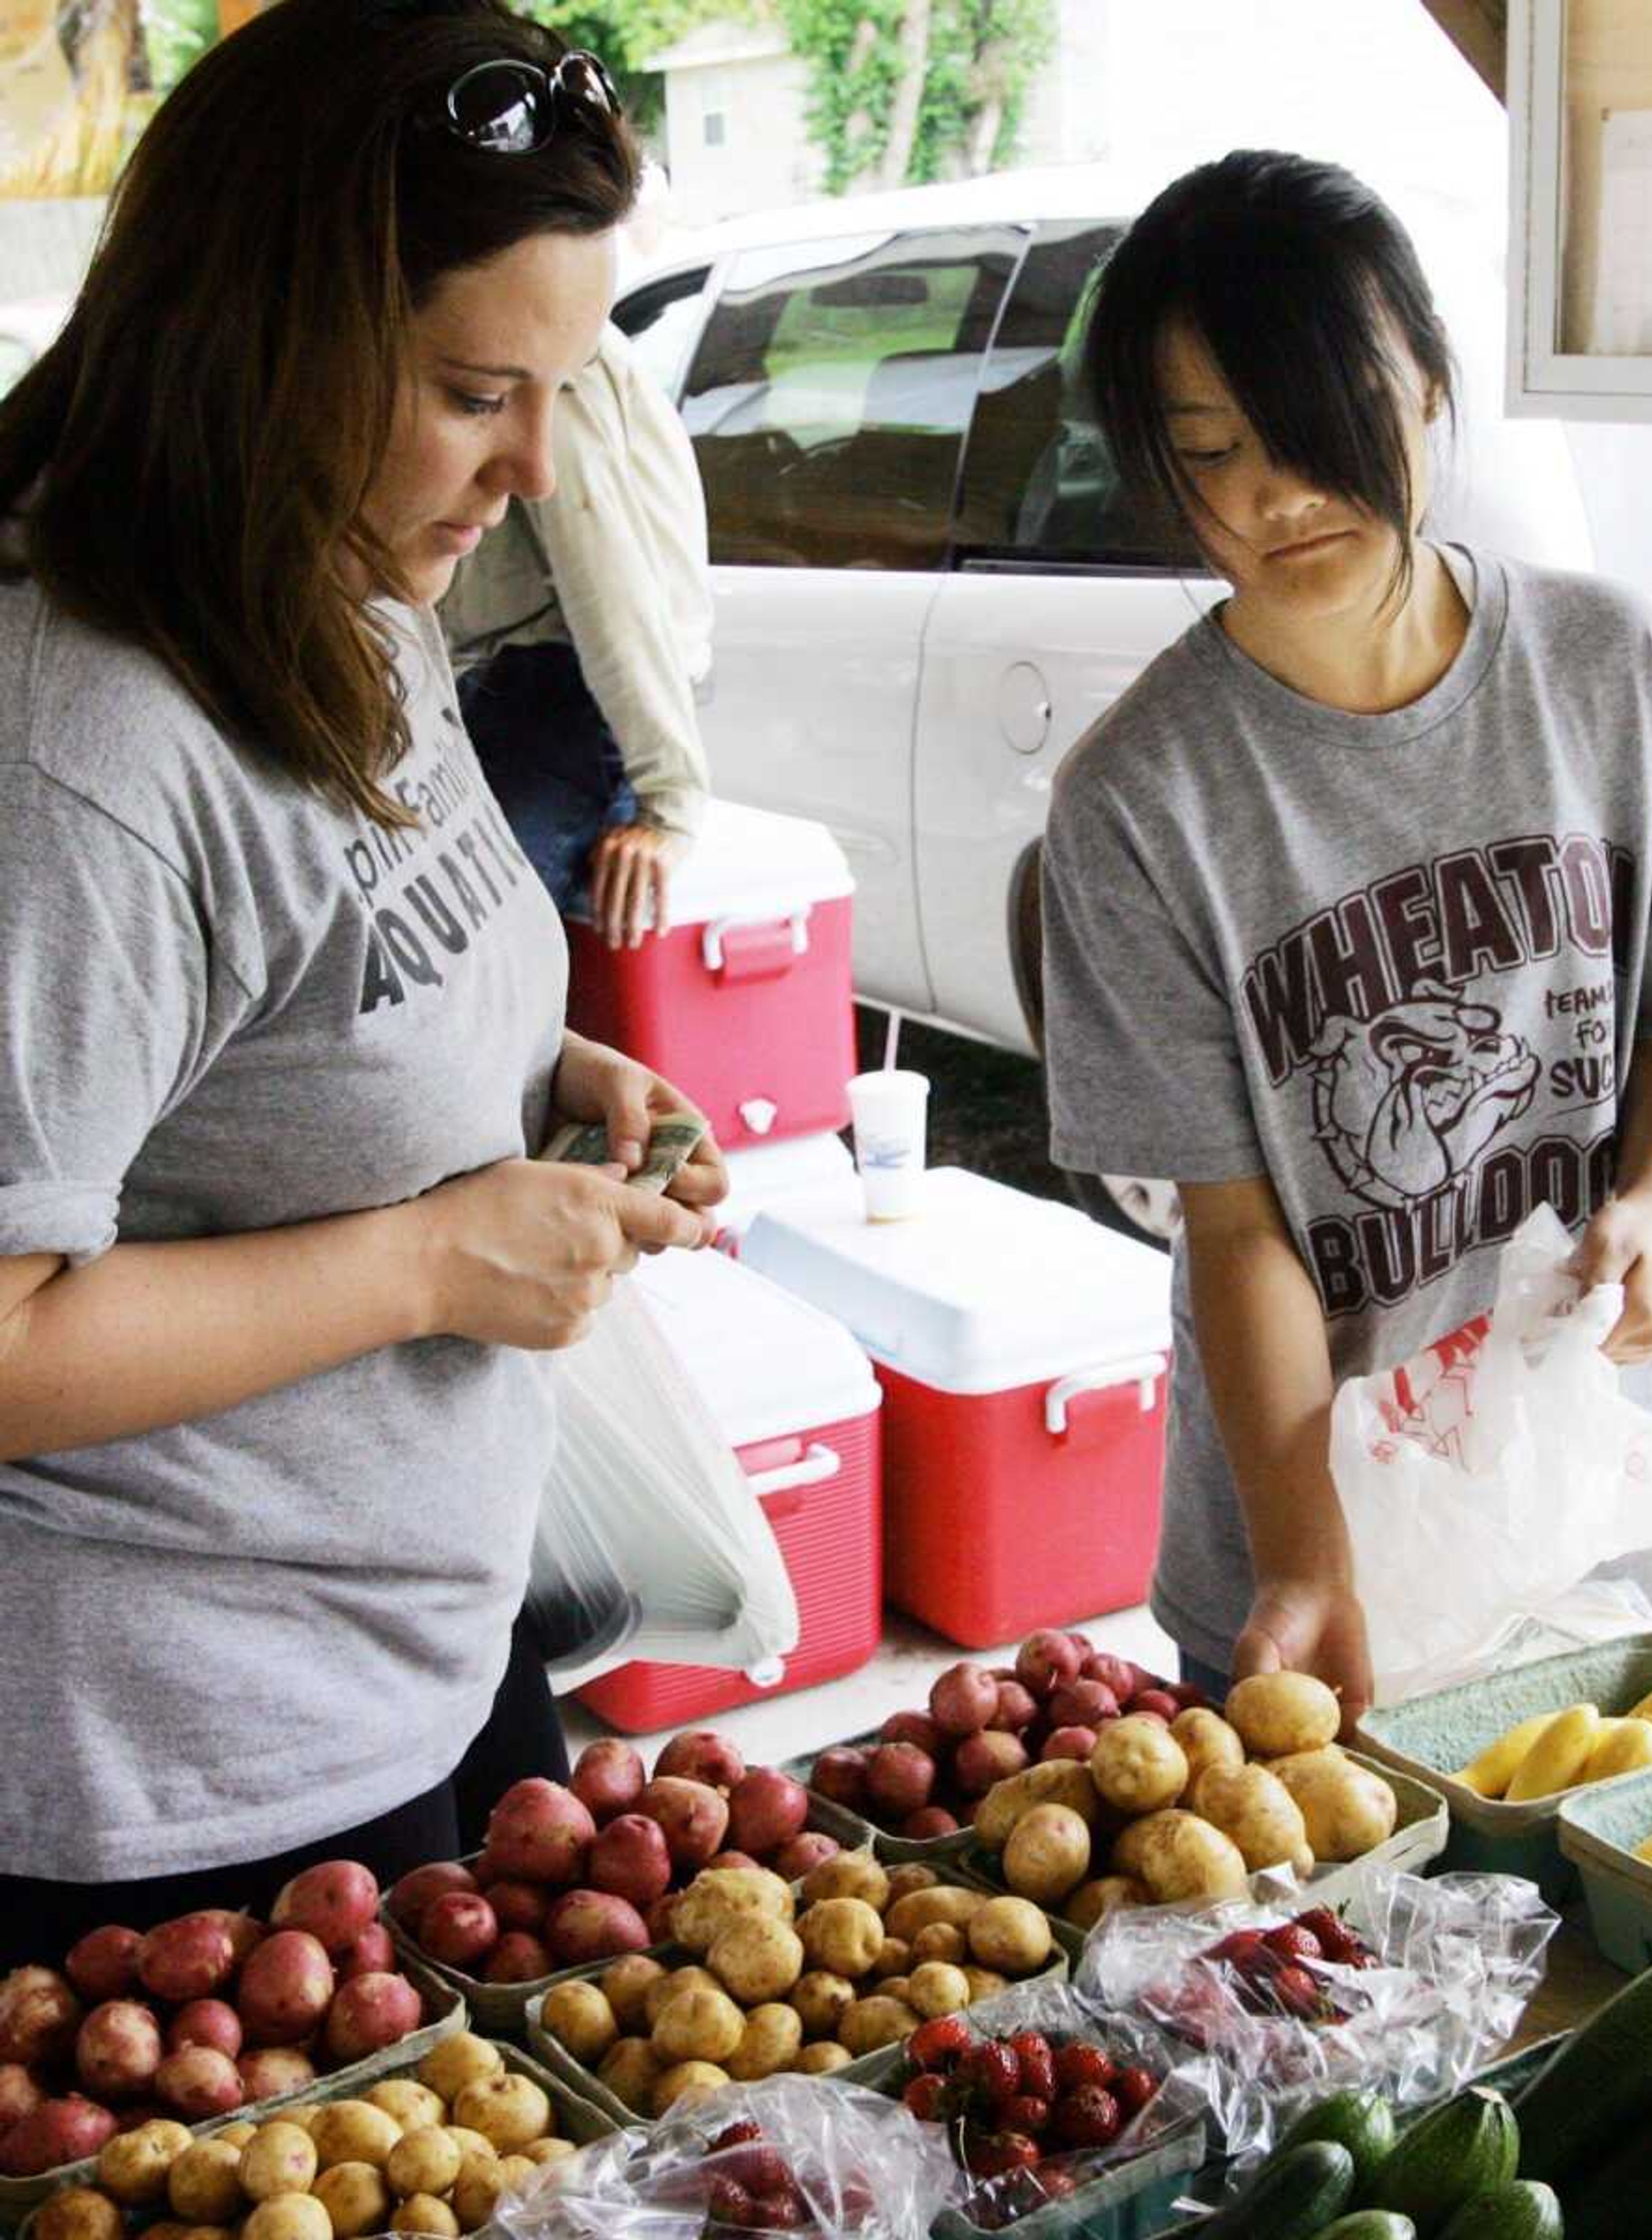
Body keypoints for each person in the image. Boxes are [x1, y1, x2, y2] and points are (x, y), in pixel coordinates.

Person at [0, 0, 727, 1962]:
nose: (541, 470)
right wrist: (429, 1262)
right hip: (178, 1802)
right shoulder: (79, 741)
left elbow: (294, 996)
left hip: (432, 1667)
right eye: (481, 390)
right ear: (270, 338)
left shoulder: (345, 583)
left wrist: (544, 1068)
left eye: (565, 390)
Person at [1041, 151, 1652, 1729]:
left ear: (1437, 388)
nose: (1278, 492)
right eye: (1213, 453)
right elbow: (1238, 1231)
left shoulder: (1622, 671)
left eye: (1320, 423)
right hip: (1306, 1535)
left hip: (1595, 1488)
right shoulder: (1139, 797)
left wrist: (1651, 1209)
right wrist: (1313, 1560)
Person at [440, 208, 713, 952]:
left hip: (567, 693)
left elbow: (612, 589)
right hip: (515, 688)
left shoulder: (544, 364)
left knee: (466, 951)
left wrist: (670, 804)